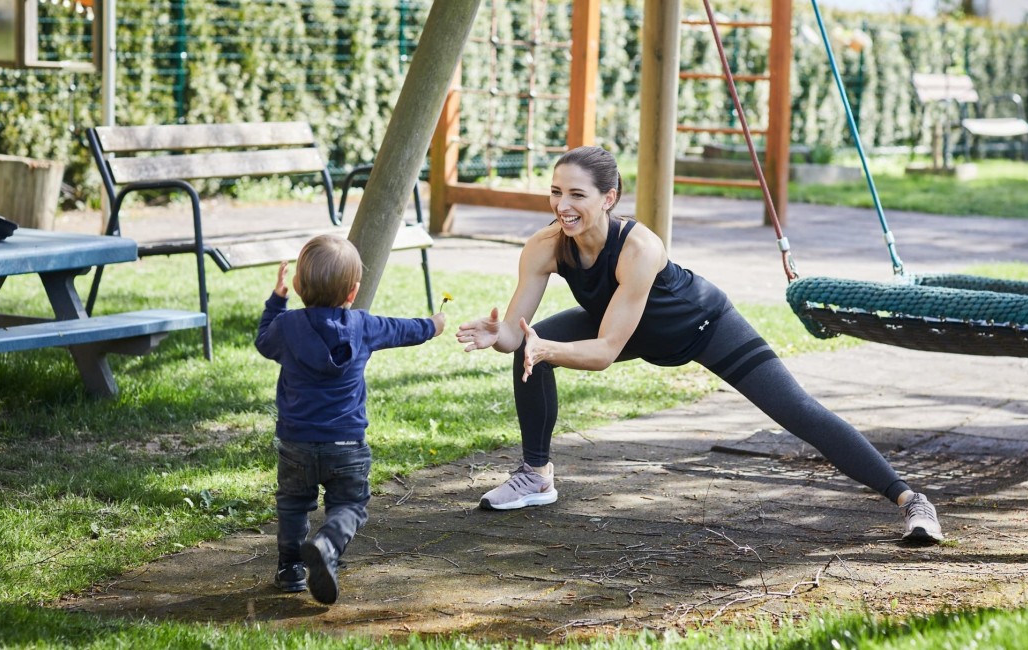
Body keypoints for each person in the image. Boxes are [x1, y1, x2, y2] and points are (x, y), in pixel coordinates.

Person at [455, 146, 944, 543]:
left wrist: (543, 348)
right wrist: (500, 336)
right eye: (556, 192)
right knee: (529, 352)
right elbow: (520, 332)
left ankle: (910, 500)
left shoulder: (639, 247)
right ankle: (536, 475)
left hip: (703, 325)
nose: (563, 205)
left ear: (609, 197)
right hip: (625, 325)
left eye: (577, 194)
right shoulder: (545, 246)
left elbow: (603, 352)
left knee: (797, 410)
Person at [256, 234, 446, 604]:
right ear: (353, 291)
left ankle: (291, 568)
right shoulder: (364, 325)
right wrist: (433, 325)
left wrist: (276, 303)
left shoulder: (287, 327)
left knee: (294, 505)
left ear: (297, 286)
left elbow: (264, 341)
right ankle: (327, 545)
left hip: (296, 443)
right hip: (347, 446)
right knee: (350, 506)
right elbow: (404, 329)